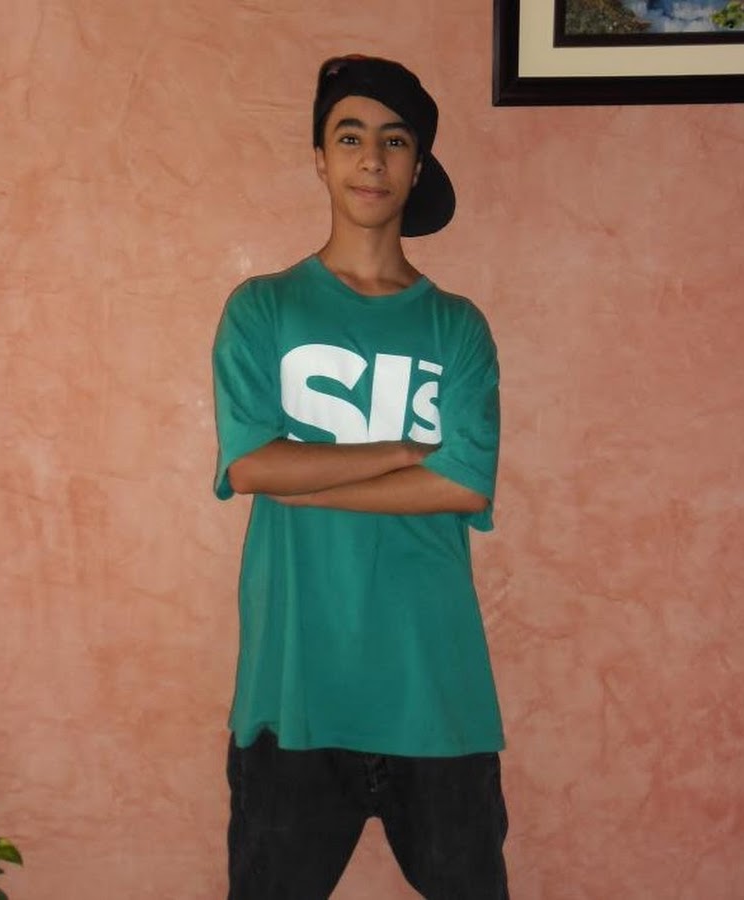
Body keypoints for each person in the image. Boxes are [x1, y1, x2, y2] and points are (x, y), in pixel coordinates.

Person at [212, 54, 508, 899]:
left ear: (417, 167)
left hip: (436, 693)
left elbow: (464, 487)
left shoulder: (457, 325)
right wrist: (401, 450)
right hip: (293, 693)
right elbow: (251, 463)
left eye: (394, 141)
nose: (371, 159)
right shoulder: (261, 308)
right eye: (349, 138)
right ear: (320, 158)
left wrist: (296, 475)